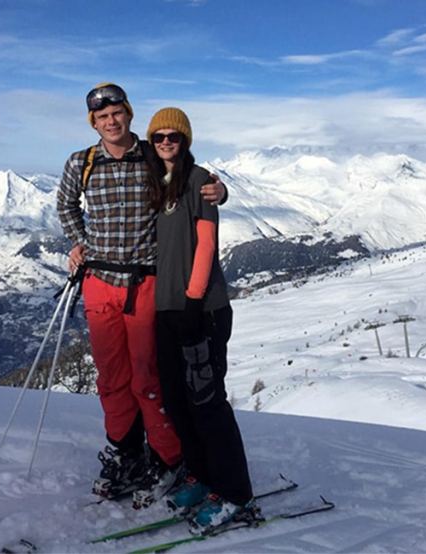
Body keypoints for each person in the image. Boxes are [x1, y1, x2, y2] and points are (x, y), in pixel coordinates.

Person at [56, 84, 227, 506]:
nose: (110, 121)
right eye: (102, 117)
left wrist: (220, 192)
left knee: (148, 378)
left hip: (146, 282)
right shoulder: (81, 162)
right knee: (112, 379)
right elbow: (66, 205)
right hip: (99, 282)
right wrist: (80, 242)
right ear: (93, 123)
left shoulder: (153, 154)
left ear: (129, 115)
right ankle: (126, 453)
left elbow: (195, 180)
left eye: (117, 113)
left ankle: (168, 458)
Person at [144, 107, 255, 533]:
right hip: (167, 310)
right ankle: (202, 476)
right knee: (177, 401)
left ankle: (235, 494)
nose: (166, 143)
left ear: (185, 140)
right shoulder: (159, 182)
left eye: (173, 136)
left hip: (202, 311)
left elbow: (206, 245)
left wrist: (193, 301)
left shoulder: (200, 181)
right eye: (158, 137)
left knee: (207, 403)